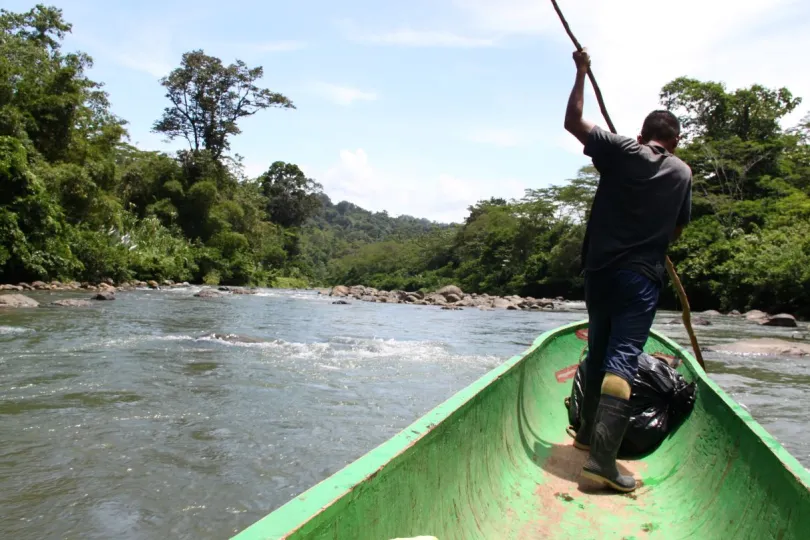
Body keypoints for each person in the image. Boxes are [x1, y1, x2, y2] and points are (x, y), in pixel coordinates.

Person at [563, 49, 692, 493]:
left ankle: (584, 436)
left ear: (642, 134)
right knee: (623, 362)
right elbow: (675, 229)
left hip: (599, 274)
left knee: (598, 354)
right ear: (673, 142)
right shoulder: (682, 173)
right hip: (640, 278)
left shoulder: (621, 150)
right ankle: (603, 463)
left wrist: (580, 73)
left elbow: (574, 122)